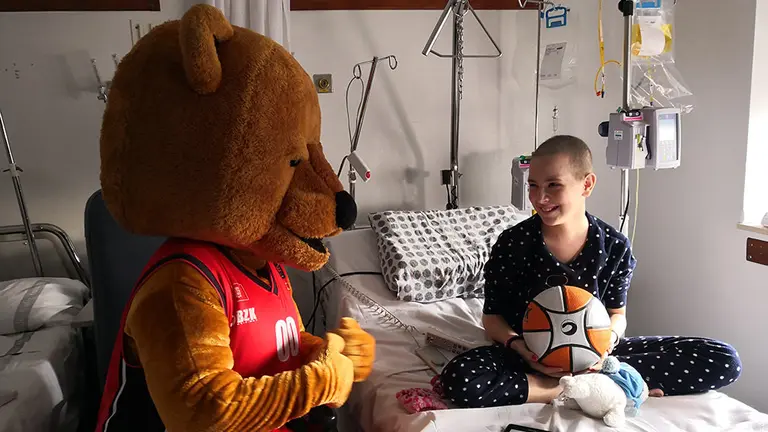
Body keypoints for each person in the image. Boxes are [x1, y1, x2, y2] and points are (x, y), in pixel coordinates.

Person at [439, 135, 741, 408]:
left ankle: (595, 380)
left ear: (587, 184)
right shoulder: (514, 243)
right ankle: (564, 389)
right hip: (527, 357)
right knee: (459, 378)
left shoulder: (614, 246)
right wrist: (523, 350)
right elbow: (492, 318)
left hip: (598, 357)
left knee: (723, 359)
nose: (539, 198)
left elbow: (617, 315)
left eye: (553, 185)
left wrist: (605, 345)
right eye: (533, 185)